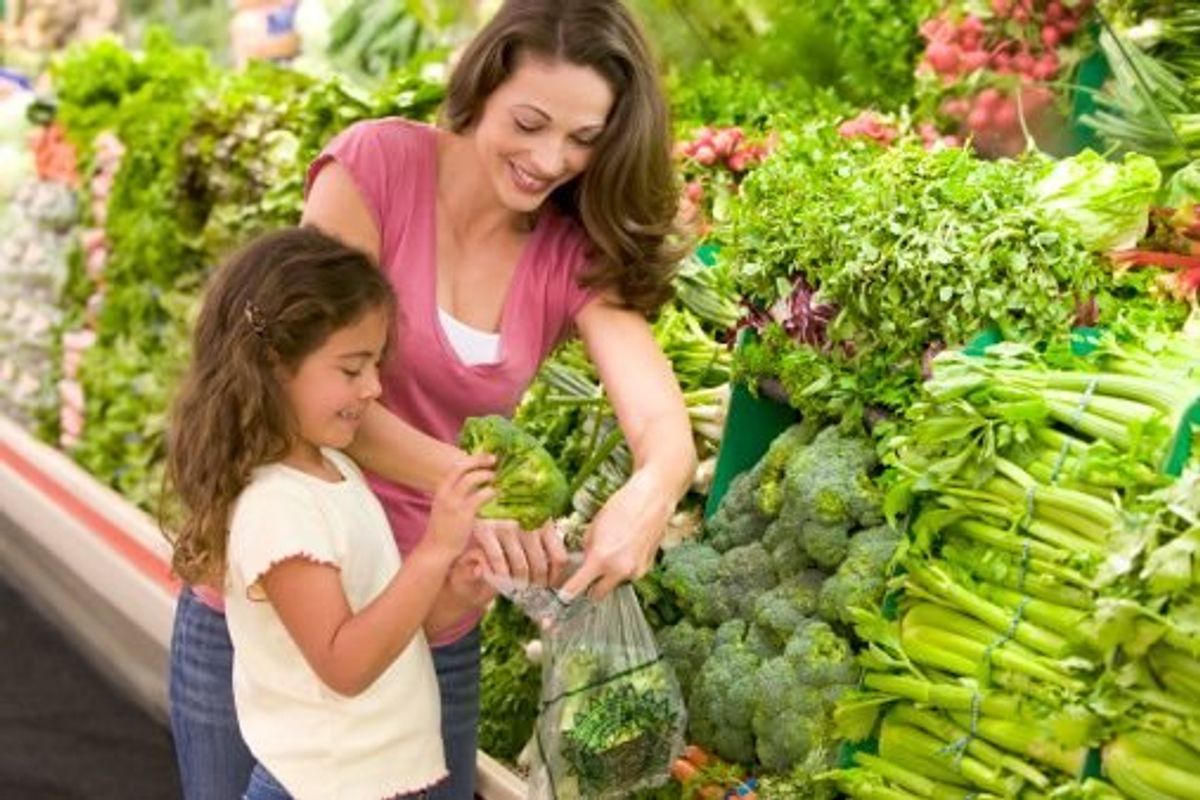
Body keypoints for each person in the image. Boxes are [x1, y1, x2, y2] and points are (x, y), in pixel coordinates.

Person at [169, 1, 697, 797]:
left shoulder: (568, 253)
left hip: (427, 616)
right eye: (530, 121)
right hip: (268, 604)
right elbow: (310, 392)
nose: (550, 158)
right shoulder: (375, 166)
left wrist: (649, 497)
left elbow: (662, 424)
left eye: (585, 140)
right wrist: (471, 491)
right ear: (484, 83)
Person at [164, 227, 498, 799]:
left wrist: (454, 595)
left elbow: (381, 625)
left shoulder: (333, 470)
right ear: (272, 365)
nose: (373, 388)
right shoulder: (276, 509)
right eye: (351, 369)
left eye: (376, 365)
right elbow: (345, 664)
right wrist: (436, 548)